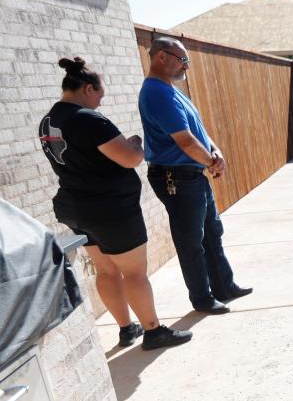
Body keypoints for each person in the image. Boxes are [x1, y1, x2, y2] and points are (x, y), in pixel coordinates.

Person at [38, 57, 192, 350]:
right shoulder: (87, 118)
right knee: (134, 272)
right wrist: (135, 143)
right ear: (88, 88)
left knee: (106, 270)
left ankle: (126, 329)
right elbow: (130, 158)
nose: (100, 102)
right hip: (111, 209)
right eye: (99, 95)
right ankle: (154, 331)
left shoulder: (49, 119)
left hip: (76, 207)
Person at [138, 37, 251, 314]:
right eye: (182, 59)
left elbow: (197, 130)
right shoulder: (156, 92)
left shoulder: (172, 90)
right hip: (176, 177)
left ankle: (224, 286)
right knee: (192, 242)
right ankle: (202, 299)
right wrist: (211, 162)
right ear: (161, 56)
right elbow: (185, 141)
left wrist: (216, 150)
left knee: (212, 232)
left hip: (194, 173)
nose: (186, 67)